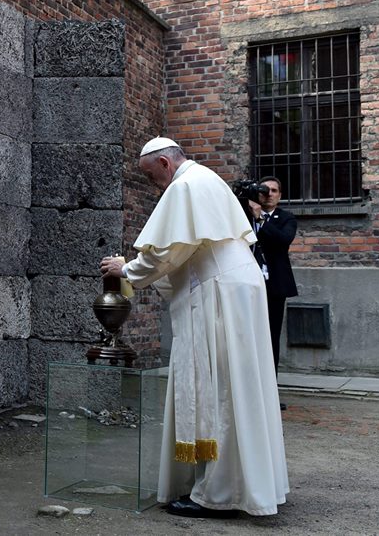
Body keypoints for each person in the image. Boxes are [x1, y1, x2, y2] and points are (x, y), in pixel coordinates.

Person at [100, 137, 289, 518]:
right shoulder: (208, 178)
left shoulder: (185, 185)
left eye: (154, 178)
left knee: (220, 387)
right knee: (241, 386)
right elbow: (188, 250)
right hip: (238, 285)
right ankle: (247, 484)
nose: (157, 186)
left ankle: (218, 495)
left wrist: (128, 271)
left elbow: (170, 252)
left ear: (165, 165)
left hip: (219, 291)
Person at [248, 176, 298, 380]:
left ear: (280, 196)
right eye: (264, 189)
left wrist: (261, 219)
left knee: (270, 336)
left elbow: (283, 240)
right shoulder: (244, 216)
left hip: (274, 286)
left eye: (274, 190)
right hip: (248, 282)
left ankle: (270, 390)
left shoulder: (287, 218)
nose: (269, 194)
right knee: (249, 337)